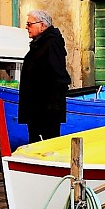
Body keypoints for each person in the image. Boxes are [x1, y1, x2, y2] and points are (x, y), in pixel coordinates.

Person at [17, 8, 71, 150]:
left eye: (30, 24)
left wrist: (51, 107)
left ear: (42, 25)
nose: (26, 27)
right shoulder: (39, 44)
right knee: (37, 146)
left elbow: (59, 77)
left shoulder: (51, 43)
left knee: (48, 147)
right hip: (36, 109)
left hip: (45, 110)